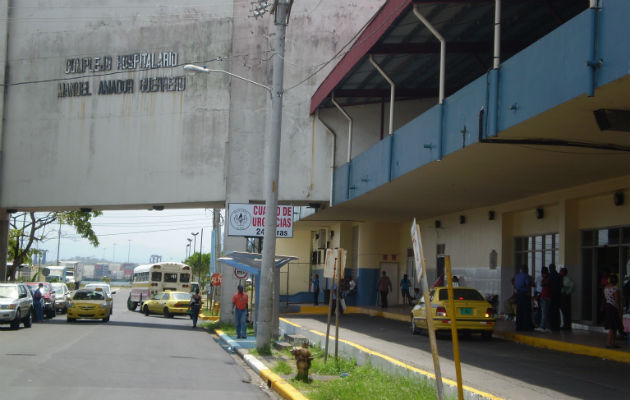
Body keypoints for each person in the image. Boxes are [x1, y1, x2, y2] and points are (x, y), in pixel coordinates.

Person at [603, 275, 623, 348]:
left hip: (608, 306)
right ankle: (609, 343)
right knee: (613, 326)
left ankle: (612, 343)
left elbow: (606, 298)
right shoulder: (615, 289)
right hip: (613, 308)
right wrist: (619, 311)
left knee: (613, 326)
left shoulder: (606, 288)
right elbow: (617, 301)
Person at [514, 266, 533, 331]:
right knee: (526, 311)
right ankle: (526, 326)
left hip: (519, 294)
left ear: (520, 270)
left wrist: (516, 289)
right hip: (525, 294)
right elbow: (528, 284)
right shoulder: (526, 276)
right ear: (526, 270)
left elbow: (513, 281)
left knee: (519, 311)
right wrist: (529, 292)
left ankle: (519, 326)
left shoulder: (517, 276)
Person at [536, 268, 552, 333]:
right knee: (546, 313)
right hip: (545, 296)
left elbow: (542, 283)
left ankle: (542, 326)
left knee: (544, 313)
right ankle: (548, 327)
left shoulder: (548, 279)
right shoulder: (547, 278)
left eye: (543, 274)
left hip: (546, 297)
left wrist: (543, 280)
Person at [549, 264, 563, 330]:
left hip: (551, 295)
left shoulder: (550, 276)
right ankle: (557, 325)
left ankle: (552, 325)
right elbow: (561, 285)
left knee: (552, 310)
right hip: (558, 295)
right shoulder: (559, 276)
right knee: (557, 310)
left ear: (550, 268)